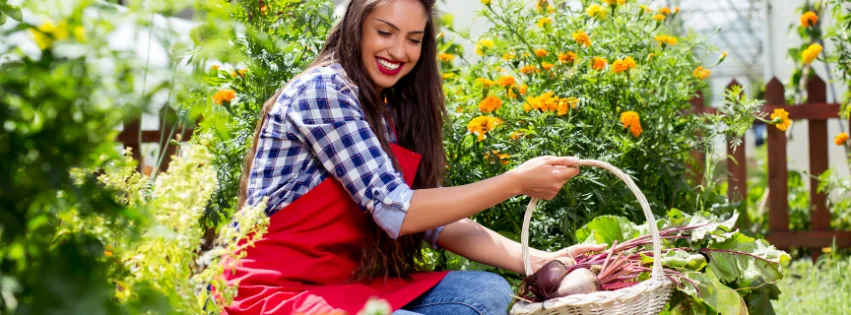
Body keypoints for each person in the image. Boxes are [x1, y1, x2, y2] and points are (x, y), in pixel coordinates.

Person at [224, 0, 604, 314]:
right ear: (356, 27)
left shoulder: (386, 112)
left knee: (488, 292)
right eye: (384, 32)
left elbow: (435, 224)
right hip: (275, 292)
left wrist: (538, 261)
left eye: (413, 39)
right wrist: (516, 182)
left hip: (341, 287)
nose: (398, 52)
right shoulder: (324, 92)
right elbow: (397, 211)